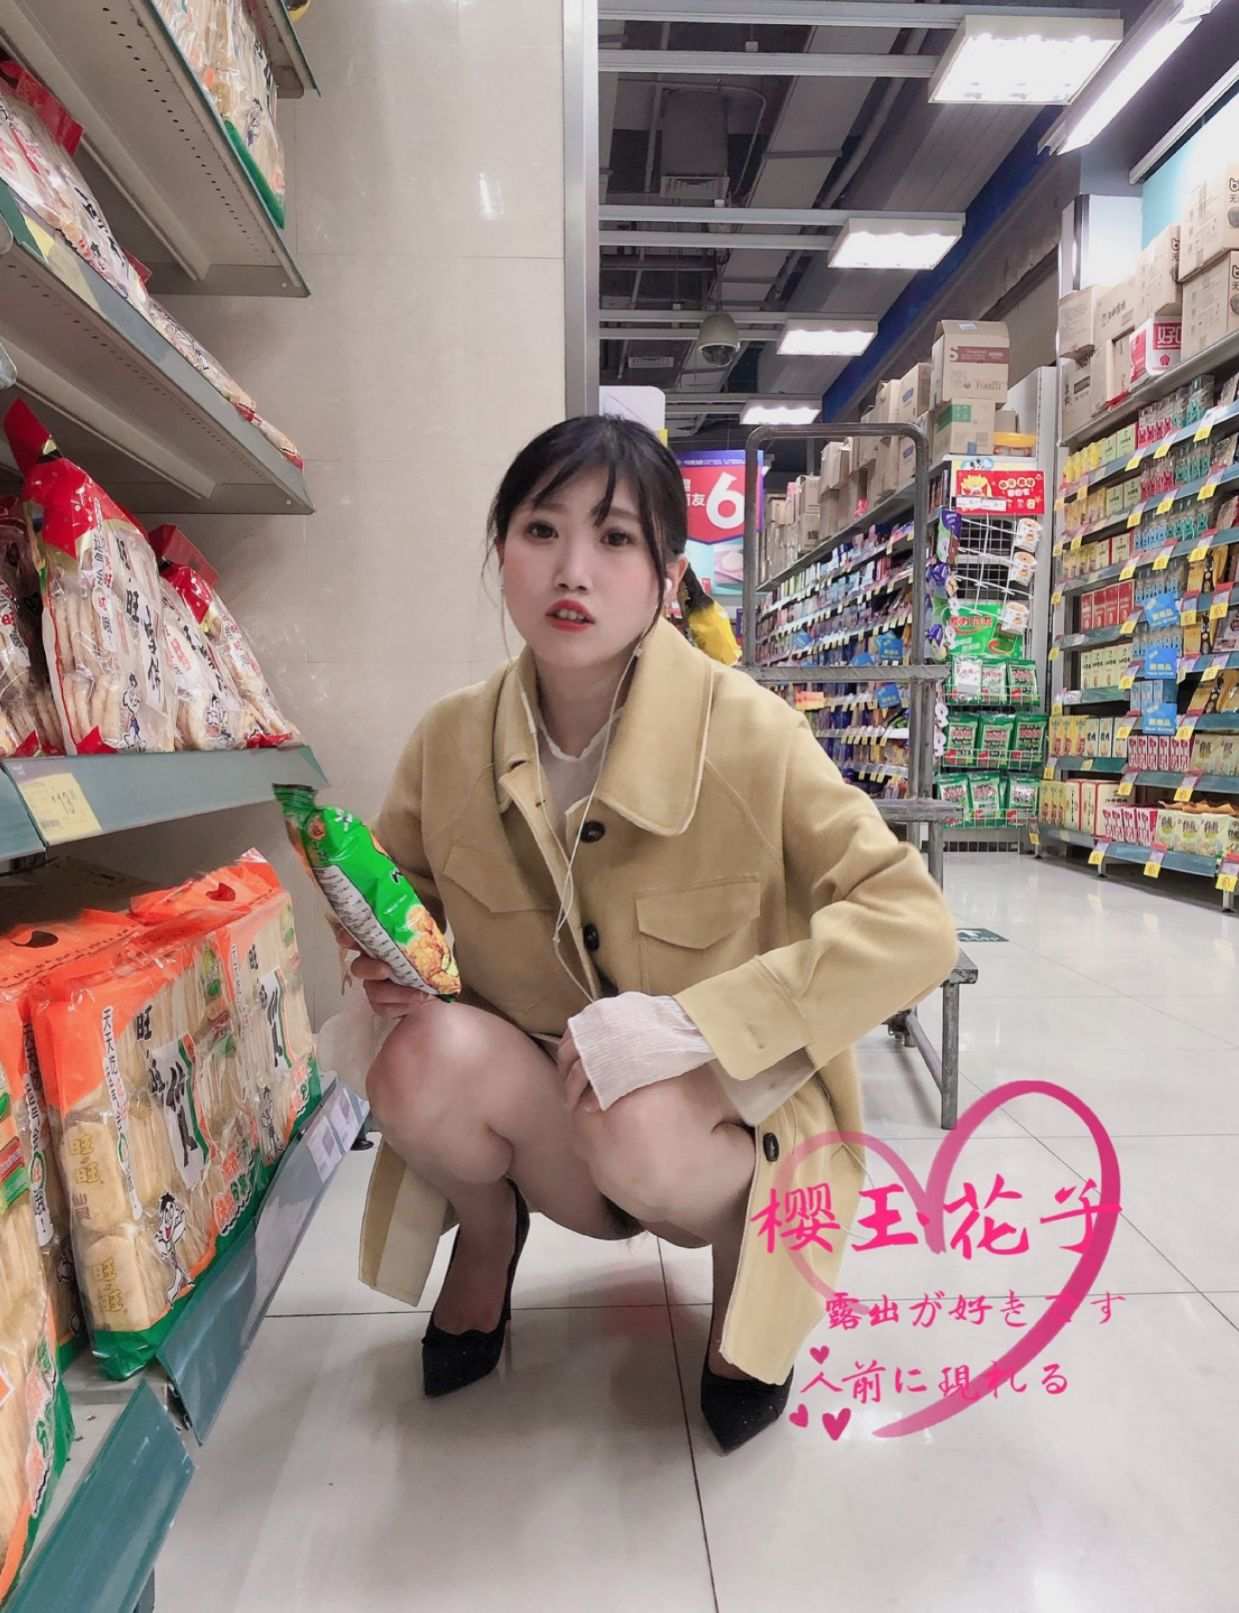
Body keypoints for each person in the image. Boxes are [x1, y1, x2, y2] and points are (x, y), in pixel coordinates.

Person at [353, 415, 957, 1453]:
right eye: (541, 529)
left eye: (616, 537)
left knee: (633, 1115)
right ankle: (488, 1233)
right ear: (502, 550)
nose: (572, 569)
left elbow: (913, 922)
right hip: (551, 1105)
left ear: (667, 578)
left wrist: (700, 1028)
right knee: (411, 1061)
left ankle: (743, 1275)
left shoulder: (751, 731)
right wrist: (385, 958)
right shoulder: (448, 739)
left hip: (716, 1114)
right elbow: (396, 889)